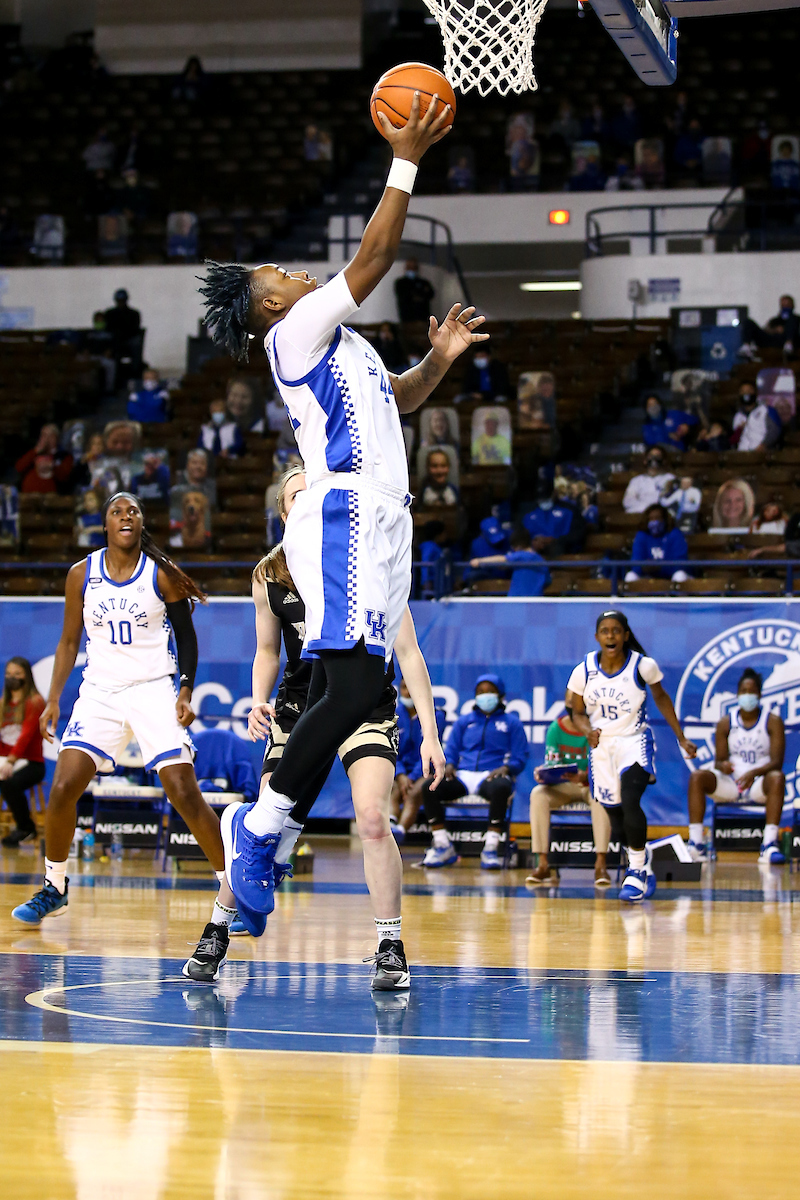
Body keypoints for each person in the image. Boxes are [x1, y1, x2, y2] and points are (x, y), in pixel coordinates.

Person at [198, 92, 483, 919]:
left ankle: (267, 828)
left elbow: (400, 398)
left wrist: (439, 361)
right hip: (346, 512)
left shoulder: (340, 344)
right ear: (273, 306)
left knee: (351, 691)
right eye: (285, 277)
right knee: (355, 690)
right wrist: (406, 159)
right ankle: (261, 826)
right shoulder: (292, 335)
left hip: (385, 517)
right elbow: (376, 254)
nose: (299, 275)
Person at [10, 492, 247, 984]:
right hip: (100, 691)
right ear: (105, 525)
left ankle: (235, 892)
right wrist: (52, 699)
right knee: (63, 787)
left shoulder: (160, 575)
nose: (126, 516)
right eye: (117, 511)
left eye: (133, 511)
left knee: (183, 791)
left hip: (153, 689)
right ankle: (55, 886)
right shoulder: (81, 574)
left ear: (141, 524)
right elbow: (69, 641)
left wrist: (186, 689)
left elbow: (186, 637)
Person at [243, 467, 445, 989]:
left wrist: (431, 733)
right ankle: (220, 927)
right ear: (284, 514)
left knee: (373, 817)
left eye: (316, 491)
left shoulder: (367, 562)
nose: (309, 499)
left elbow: (410, 654)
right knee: (267, 815)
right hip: (298, 706)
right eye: (297, 495)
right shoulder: (268, 574)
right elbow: (267, 651)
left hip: (364, 704)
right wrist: (258, 699)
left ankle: (391, 946)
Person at [568, 610, 697, 902]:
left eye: (616, 630)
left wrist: (681, 737)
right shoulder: (583, 670)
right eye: (605, 631)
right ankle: (642, 857)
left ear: (626, 635)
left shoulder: (642, 665)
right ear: (597, 637)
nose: (610, 635)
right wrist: (587, 731)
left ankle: (636, 870)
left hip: (634, 741)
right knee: (615, 817)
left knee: (630, 799)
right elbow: (576, 713)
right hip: (601, 747)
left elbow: (661, 698)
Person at [418, 674, 529, 870]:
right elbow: (451, 749)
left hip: (491, 775)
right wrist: (450, 765)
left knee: (502, 787)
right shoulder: (464, 721)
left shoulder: (512, 723)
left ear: (501, 695)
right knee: (430, 786)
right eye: (480, 692)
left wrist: (506, 768)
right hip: (462, 775)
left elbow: (520, 756)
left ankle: (491, 848)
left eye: (490, 692)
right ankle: (442, 845)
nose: (485, 696)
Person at [686, 668, 785, 865]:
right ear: (737, 694)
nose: (747, 696)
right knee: (697, 777)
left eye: (752, 692)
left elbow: (777, 762)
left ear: (760, 695)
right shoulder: (726, 722)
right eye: (743, 691)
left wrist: (753, 773)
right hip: (732, 782)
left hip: (759, 783)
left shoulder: (772, 721)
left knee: (777, 778)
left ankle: (769, 844)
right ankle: (696, 843)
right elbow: (719, 760)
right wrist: (723, 766)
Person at [526, 697, 611, 888]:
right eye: (570, 701)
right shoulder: (556, 728)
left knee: (601, 797)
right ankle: (543, 864)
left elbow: (607, 766)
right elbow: (552, 762)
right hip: (565, 785)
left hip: (591, 785)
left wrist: (585, 776)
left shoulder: (600, 729)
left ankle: (601, 863)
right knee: (538, 794)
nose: (573, 705)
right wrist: (545, 774)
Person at [392, 678, 447, 841]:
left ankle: (400, 831)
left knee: (416, 791)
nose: (407, 692)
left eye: (412, 687)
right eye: (404, 687)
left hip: (426, 770)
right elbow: (391, 750)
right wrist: (400, 774)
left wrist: (412, 776)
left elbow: (432, 750)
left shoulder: (435, 716)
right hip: (399, 770)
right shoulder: (392, 714)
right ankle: (390, 824)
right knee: (391, 787)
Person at [0, 657, 45, 848]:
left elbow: (25, 736)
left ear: (27, 676)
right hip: (5, 760)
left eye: (17, 674)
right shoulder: (3, 703)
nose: (12, 678)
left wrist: (10, 761)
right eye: (9, 674)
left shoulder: (35, 702)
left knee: (8, 783)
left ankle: (26, 828)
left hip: (32, 763)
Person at [469, 527, 550, 596]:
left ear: (518, 546)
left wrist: (479, 561)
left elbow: (502, 559)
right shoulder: (541, 560)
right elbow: (547, 581)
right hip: (536, 601)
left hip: (516, 601)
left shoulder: (522, 555)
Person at [625, 506, 689, 584]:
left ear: (664, 520)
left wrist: (660, 567)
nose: (654, 522)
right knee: (630, 576)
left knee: (680, 575)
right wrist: (644, 568)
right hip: (648, 575)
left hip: (671, 575)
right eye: (651, 519)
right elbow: (635, 563)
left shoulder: (675, 534)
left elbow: (680, 564)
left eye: (658, 518)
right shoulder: (642, 535)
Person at [622, 448, 676, 514]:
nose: (654, 459)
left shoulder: (670, 478)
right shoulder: (636, 480)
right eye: (651, 456)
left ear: (663, 461)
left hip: (663, 512)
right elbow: (628, 501)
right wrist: (647, 508)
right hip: (641, 511)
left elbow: (674, 499)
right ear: (645, 460)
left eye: (657, 456)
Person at [394, 257, 435, 322]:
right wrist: (420, 294)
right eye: (410, 267)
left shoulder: (424, 282)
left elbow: (430, 294)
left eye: (414, 268)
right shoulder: (401, 283)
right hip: (407, 318)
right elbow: (404, 296)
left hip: (423, 317)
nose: (412, 270)